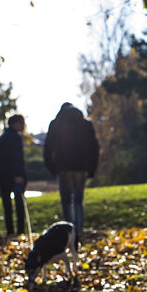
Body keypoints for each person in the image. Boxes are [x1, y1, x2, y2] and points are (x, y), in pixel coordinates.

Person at [43, 103, 99, 243]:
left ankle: (70, 232)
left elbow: (48, 147)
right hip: (82, 166)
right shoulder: (86, 124)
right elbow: (94, 147)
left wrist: (51, 167)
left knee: (66, 201)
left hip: (63, 166)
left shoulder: (56, 124)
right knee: (78, 201)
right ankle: (79, 230)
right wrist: (91, 168)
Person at [0, 114, 28, 238]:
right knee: (19, 203)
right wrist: (17, 174)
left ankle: (10, 231)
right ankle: (21, 231)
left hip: (1, 176)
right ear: (14, 124)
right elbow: (15, 157)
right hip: (14, 176)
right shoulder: (15, 137)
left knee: (7, 206)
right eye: (21, 123)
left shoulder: (0, 139)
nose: (23, 126)